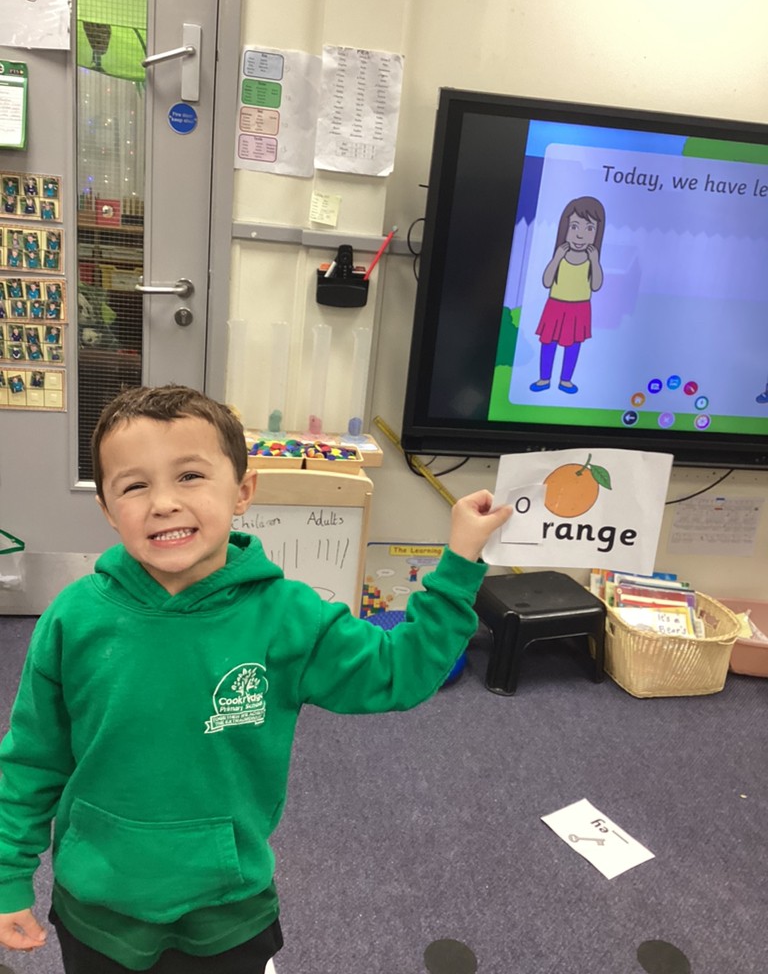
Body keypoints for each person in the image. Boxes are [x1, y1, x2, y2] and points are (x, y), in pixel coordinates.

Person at [0, 384, 512, 973]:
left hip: (229, 907)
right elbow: (32, 759)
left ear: (242, 491)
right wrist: (9, 873)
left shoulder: (287, 617)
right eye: (134, 486)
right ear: (108, 509)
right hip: (100, 908)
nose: (163, 503)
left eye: (190, 476)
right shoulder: (73, 618)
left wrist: (460, 560)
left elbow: (401, 670)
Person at [530, 195, 606, 395]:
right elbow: (547, 281)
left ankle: (566, 380)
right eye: (574, 227)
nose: (580, 235)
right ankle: (544, 378)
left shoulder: (591, 260)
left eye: (589, 229)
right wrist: (556, 258)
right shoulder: (560, 256)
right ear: (565, 228)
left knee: (573, 346)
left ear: (597, 233)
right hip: (555, 305)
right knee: (548, 343)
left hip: (580, 308)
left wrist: (595, 261)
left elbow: (596, 285)